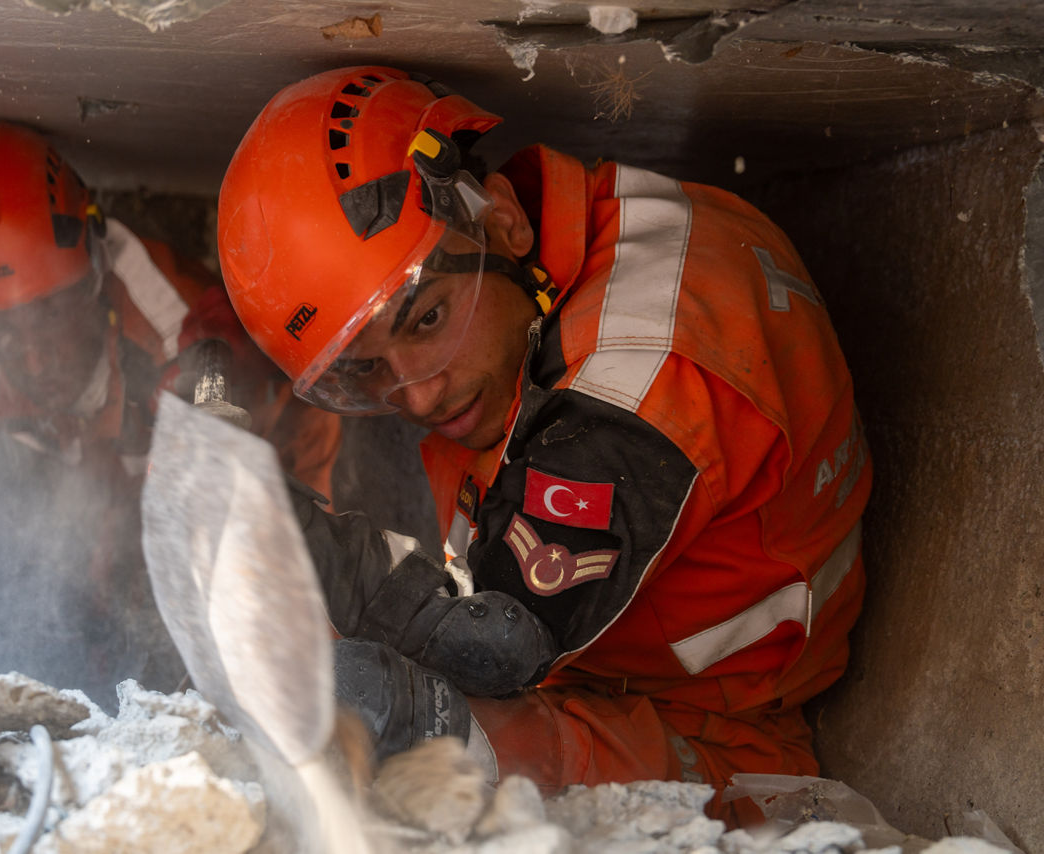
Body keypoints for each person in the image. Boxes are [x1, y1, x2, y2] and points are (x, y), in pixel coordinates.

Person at [215, 66, 871, 823]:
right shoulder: (563, 246)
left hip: (712, 732)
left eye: (427, 320)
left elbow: (491, 641)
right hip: (598, 646)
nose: (420, 393)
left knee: (397, 736)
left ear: (499, 219)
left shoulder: (639, 389)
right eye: (367, 369)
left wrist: (287, 538)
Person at [0, 122, 340, 705]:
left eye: (51, 313)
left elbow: (227, 507)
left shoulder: (181, 331)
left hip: (250, 466)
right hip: (109, 486)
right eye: (1, 334)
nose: (37, 358)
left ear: (94, 264)